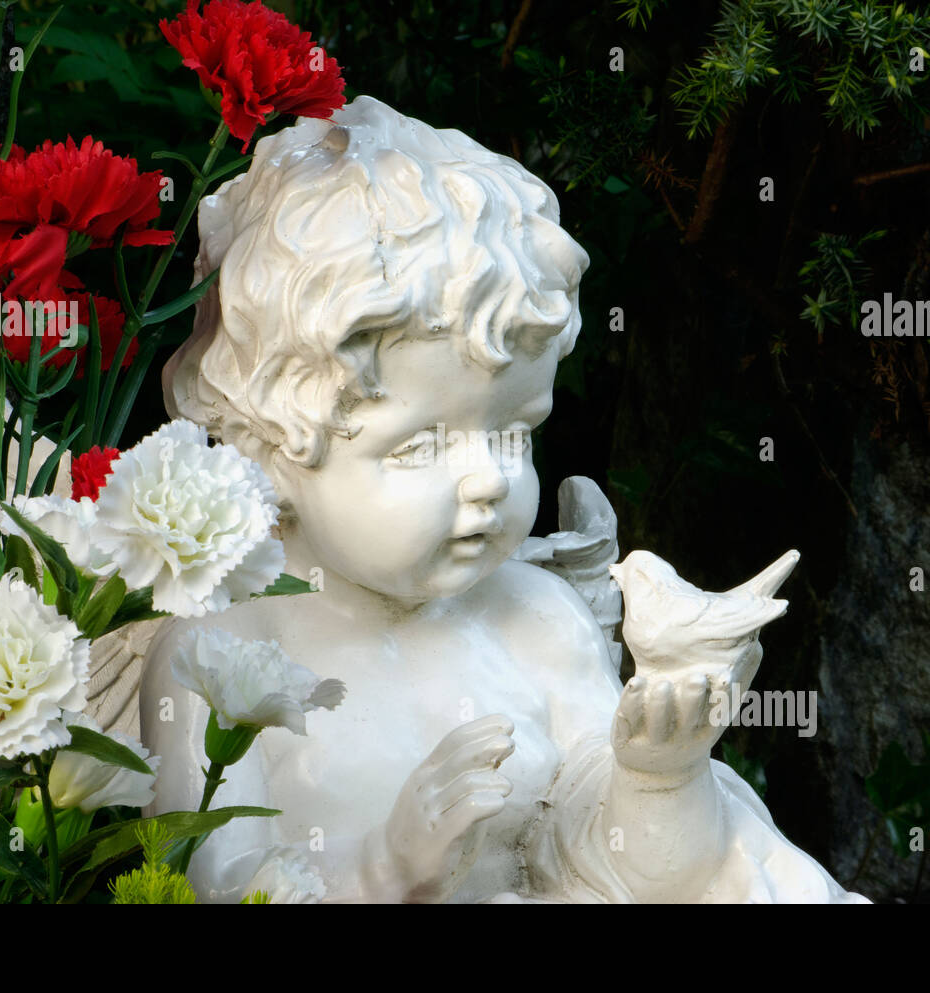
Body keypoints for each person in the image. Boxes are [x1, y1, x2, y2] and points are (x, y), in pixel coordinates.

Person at [140, 96, 865, 904]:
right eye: (417, 446)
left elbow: (630, 874)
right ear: (269, 451)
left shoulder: (537, 619)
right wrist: (388, 867)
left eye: (514, 435)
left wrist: (659, 778)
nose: (488, 480)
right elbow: (202, 886)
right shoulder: (215, 655)